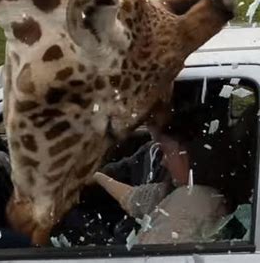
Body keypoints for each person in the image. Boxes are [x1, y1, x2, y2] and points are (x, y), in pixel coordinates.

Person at [93, 103, 236, 245]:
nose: (163, 162)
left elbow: (149, 254)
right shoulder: (194, 192)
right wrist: (96, 177)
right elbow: (136, 198)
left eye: (167, 153)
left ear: (187, 154)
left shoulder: (189, 202)